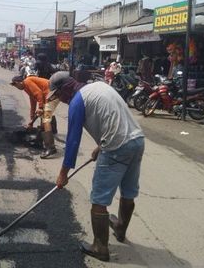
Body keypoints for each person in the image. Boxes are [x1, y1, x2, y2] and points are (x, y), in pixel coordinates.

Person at [47, 71, 145, 261]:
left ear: (65, 89)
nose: (60, 100)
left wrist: (63, 174)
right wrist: (100, 146)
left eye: (58, 95)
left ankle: (100, 247)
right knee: (128, 191)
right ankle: (120, 228)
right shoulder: (98, 86)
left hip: (117, 147)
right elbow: (115, 118)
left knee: (99, 199)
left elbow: (73, 142)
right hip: (137, 140)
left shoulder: (76, 102)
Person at [10, 75, 59, 159]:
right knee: (44, 116)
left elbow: (38, 93)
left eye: (16, 85)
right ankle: (40, 140)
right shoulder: (26, 87)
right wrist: (31, 119)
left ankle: (51, 148)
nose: (16, 87)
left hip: (51, 94)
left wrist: (40, 107)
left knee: (45, 118)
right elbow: (33, 100)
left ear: (19, 82)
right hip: (48, 95)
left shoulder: (27, 81)